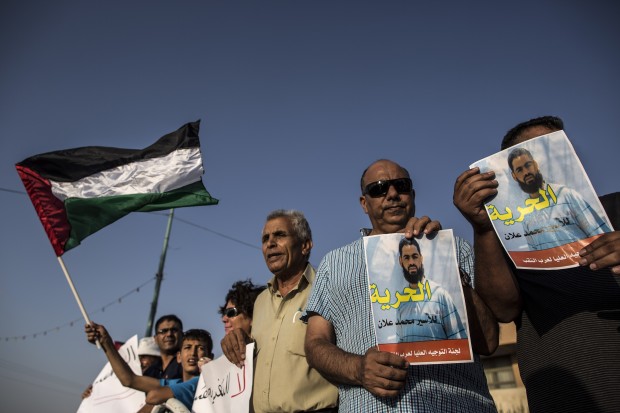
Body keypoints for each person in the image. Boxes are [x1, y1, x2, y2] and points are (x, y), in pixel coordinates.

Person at [453, 115, 620, 412]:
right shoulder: (506, 234)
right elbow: (503, 309)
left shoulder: (613, 206)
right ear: (511, 175)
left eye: (545, 151)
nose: (529, 169)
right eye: (521, 166)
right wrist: (483, 227)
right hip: (560, 396)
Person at [304, 159, 498, 412]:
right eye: (379, 188)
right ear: (364, 203)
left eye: (401, 185)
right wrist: (358, 368)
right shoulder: (334, 263)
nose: (392, 194)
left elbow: (489, 341)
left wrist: (444, 265)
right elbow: (315, 343)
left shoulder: (454, 249)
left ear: (413, 194)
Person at [221, 209, 338, 413]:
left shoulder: (328, 288)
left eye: (280, 235)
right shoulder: (260, 302)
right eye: (265, 238)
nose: (270, 243)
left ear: (305, 245)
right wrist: (239, 339)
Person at [85, 323, 213, 412]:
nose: (193, 353)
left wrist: (158, 396)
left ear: (210, 357)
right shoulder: (176, 383)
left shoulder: (201, 383)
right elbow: (129, 380)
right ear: (178, 356)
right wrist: (106, 342)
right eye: (187, 347)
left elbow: (153, 396)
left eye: (201, 348)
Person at [506, 146, 610, 250]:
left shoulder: (567, 195)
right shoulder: (525, 215)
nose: (526, 172)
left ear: (535, 165)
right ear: (514, 176)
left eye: (528, 165)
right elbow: (535, 253)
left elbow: (601, 237)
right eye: (519, 170)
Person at [396, 237, 467, 342]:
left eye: (414, 257)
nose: (411, 262)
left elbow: (458, 340)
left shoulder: (440, 295)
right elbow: (400, 343)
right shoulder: (401, 302)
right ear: (401, 261)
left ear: (421, 258)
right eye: (406, 257)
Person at [142, 314, 184, 380]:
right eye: (163, 331)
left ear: (182, 335)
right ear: (156, 339)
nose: (169, 334)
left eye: (174, 330)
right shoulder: (150, 371)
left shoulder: (186, 364)